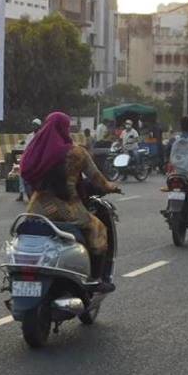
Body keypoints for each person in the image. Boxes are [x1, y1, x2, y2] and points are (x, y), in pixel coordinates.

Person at [21, 112, 121, 293]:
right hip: (67, 209)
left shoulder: (35, 150)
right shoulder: (76, 153)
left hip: (36, 208)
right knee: (98, 229)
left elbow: (25, 174)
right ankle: (96, 280)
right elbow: (98, 180)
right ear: (65, 129)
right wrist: (112, 187)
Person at [18, 118, 42, 201]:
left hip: (38, 159)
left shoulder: (42, 135)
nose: (33, 126)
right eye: (33, 125)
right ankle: (21, 193)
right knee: (22, 174)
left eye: (35, 125)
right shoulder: (29, 135)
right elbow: (26, 148)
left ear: (39, 126)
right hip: (29, 158)